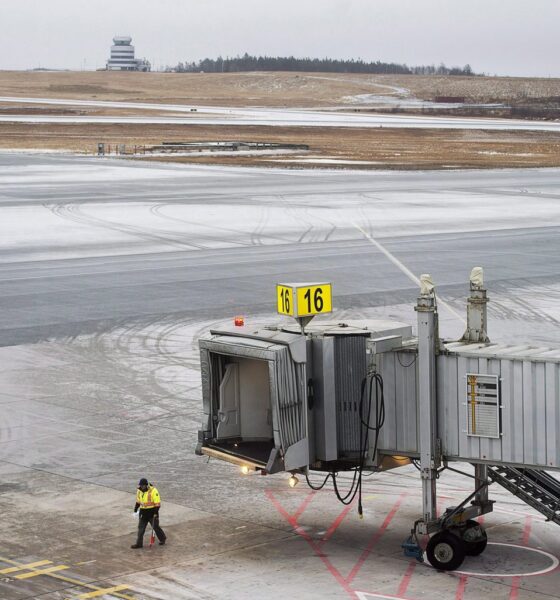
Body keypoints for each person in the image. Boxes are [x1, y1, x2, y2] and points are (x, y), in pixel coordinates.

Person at [131, 478, 167, 549]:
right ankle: (139, 544)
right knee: (141, 529)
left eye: (143, 485)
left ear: (146, 485)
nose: (142, 487)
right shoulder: (139, 491)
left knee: (156, 527)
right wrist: (136, 508)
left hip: (152, 512)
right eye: (141, 485)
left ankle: (163, 539)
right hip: (143, 513)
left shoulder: (153, 491)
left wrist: (156, 513)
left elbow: (157, 503)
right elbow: (138, 501)